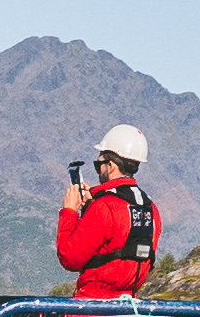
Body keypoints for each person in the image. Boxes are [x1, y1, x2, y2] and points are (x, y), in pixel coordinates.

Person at [56, 122, 159, 301]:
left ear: (110, 166)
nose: (99, 170)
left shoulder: (104, 208)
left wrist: (70, 212)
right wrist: (90, 207)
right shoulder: (152, 210)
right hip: (129, 310)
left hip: (92, 310)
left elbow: (69, 258)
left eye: (99, 164)